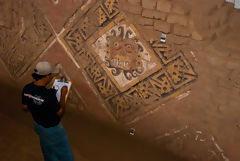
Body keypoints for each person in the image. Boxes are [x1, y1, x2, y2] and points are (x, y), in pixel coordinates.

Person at [21, 61, 74, 161]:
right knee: (64, 152)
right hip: (53, 129)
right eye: (50, 75)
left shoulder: (27, 88)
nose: (50, 77)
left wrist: (36, 103)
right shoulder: (49, 95)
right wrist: (63, 95)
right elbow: (60, 112)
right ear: (46, 76)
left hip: (38, 125)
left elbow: (25, 107)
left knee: (47, 149)